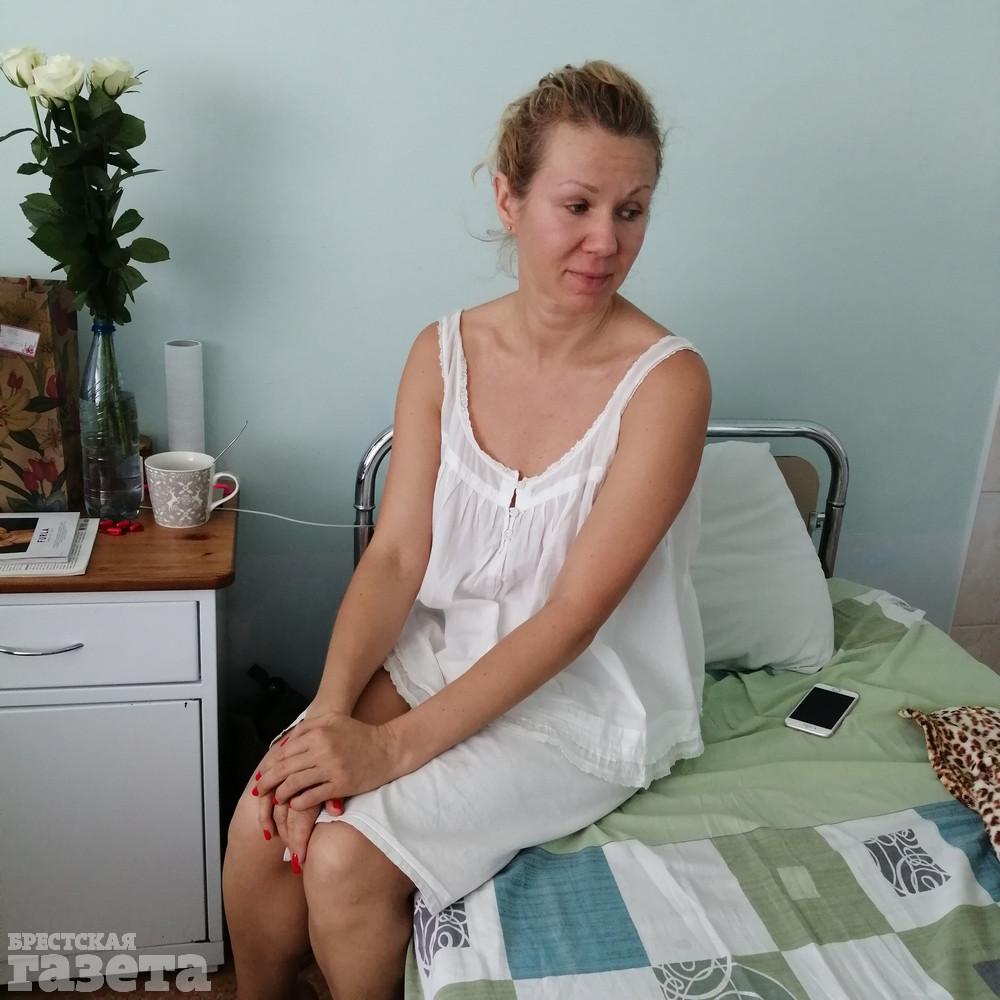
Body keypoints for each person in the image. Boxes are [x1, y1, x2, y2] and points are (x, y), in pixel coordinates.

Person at [223, 60, 712, 1000]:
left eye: (632, 211)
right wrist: (331, 714)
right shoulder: (441, 352)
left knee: (343, 858)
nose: (606, 241)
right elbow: (396, 556)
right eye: (577, 205)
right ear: (509, 197)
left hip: (582, 700)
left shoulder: (668, 384)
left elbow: (572, 617)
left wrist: (389, 752)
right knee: (263, 816)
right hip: (436, 659)